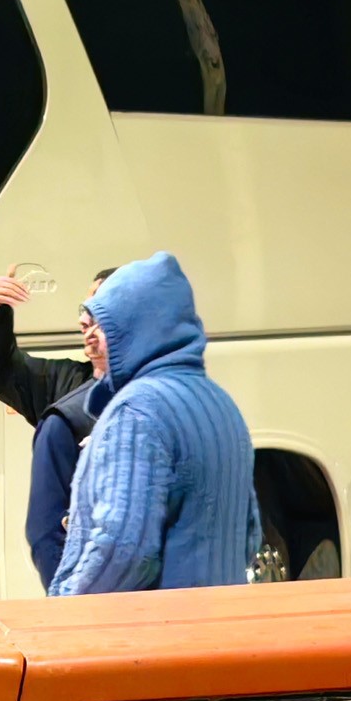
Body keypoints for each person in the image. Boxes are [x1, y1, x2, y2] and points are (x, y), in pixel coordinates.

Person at [50, 252, 258, 596]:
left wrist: (66, 602)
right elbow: (249, 534)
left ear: (137, 328)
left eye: (107, 325)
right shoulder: (221, 404)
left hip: (155, 638)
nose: (94, 337)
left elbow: (124, 549)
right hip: (219, 630)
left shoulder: (138, 411)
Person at [0, 265, 99, 588]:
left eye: (99, 309)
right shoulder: (67, 388)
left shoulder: (158, 397)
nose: (84, 321)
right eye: (85, 310)